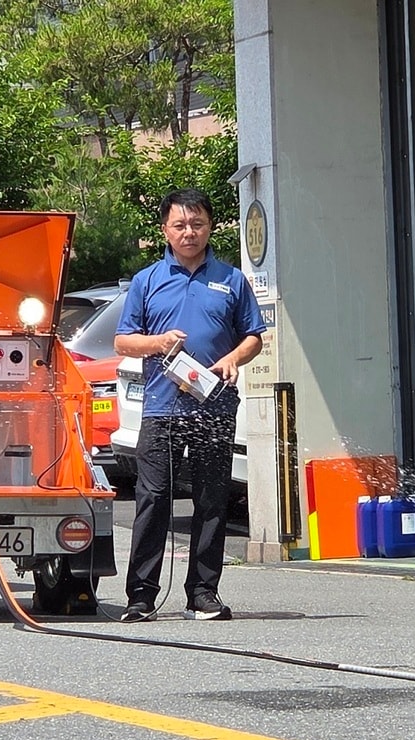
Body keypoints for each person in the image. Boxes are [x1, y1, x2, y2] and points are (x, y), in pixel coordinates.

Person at [114, 189, 266, 623]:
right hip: (161, 408)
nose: (189, 232)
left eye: (196, 224)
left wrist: (233, 359)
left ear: (210, 227)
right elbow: (124, 340)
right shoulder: (147, 280)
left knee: (212, 500)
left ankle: (203, 593)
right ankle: (140, 597)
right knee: (154, 499)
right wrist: (158, 342)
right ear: (165, 229)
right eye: (179, 225)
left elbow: (253, 336)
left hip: (213, 406)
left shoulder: (231, 279)